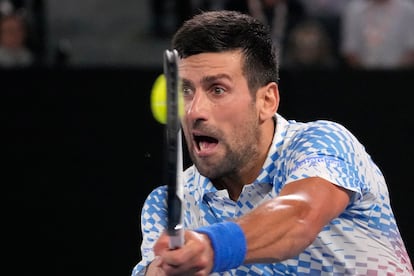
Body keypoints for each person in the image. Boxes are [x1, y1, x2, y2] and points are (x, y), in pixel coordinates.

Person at [132, 10, 413, 275]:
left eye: (217, 89)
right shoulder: (166, 206)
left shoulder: (322, 143)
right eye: (185, 90)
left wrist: (212, 245)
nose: (194, 111)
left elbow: (299, 217)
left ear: (267, 101)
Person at [340, 0, 414, 69]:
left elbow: (411, 50)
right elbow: (350, 50)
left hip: (400, 75)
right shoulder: (354, 9)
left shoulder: (408, 9)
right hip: (363, 76)